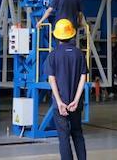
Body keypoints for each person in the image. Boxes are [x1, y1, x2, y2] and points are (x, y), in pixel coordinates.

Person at [45, 19, 87, 160]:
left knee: (63, 137)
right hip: (76, 104)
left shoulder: (53, 55)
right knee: (77, 134)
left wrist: (59, 102)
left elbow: (52, 80)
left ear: (57, 36)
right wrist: (75, 100)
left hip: (60, 104)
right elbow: (83, 78)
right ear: (72, 35)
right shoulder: (79, 54)